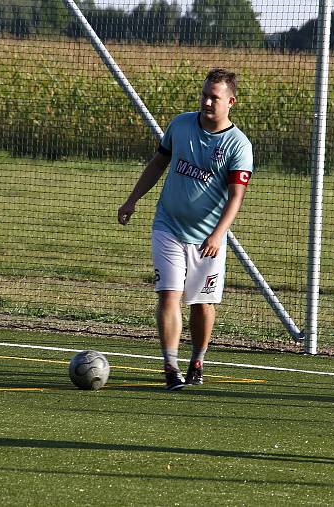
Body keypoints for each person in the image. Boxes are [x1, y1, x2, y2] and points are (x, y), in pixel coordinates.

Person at [117, 68, 254, 390]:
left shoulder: (238, 145)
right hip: (167, 226)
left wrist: (218, 236)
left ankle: (197, 359)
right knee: (169, 295)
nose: (207, 101)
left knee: (202, 305)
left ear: (231, 102)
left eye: (214, 97)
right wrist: (132, 200)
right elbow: (157, 164)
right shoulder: (180, 125)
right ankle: (170, 367)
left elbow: (236, 198)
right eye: (204, 94)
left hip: (207, 239)